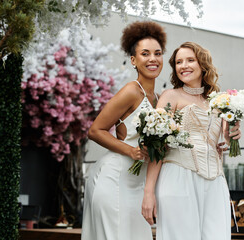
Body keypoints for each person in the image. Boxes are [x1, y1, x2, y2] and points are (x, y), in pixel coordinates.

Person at [141, 42, 241, 240]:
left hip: (215, 182)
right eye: (178, 62)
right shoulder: (171, 96)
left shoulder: (219, 102)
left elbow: (222, 140)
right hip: (178, 177)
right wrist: (148, 191)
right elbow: (157, 147)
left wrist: (232, 136)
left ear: (202, 64)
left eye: (189, 60)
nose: (183, 66)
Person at [81, 21, 166, 240]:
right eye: (145, 54)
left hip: (138, 185)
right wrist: (130, 150)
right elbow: (95, 130)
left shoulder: (159, 100)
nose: (153, 59)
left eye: (158, 53)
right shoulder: (131, 91)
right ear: (133, 60)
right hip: (114, 180)